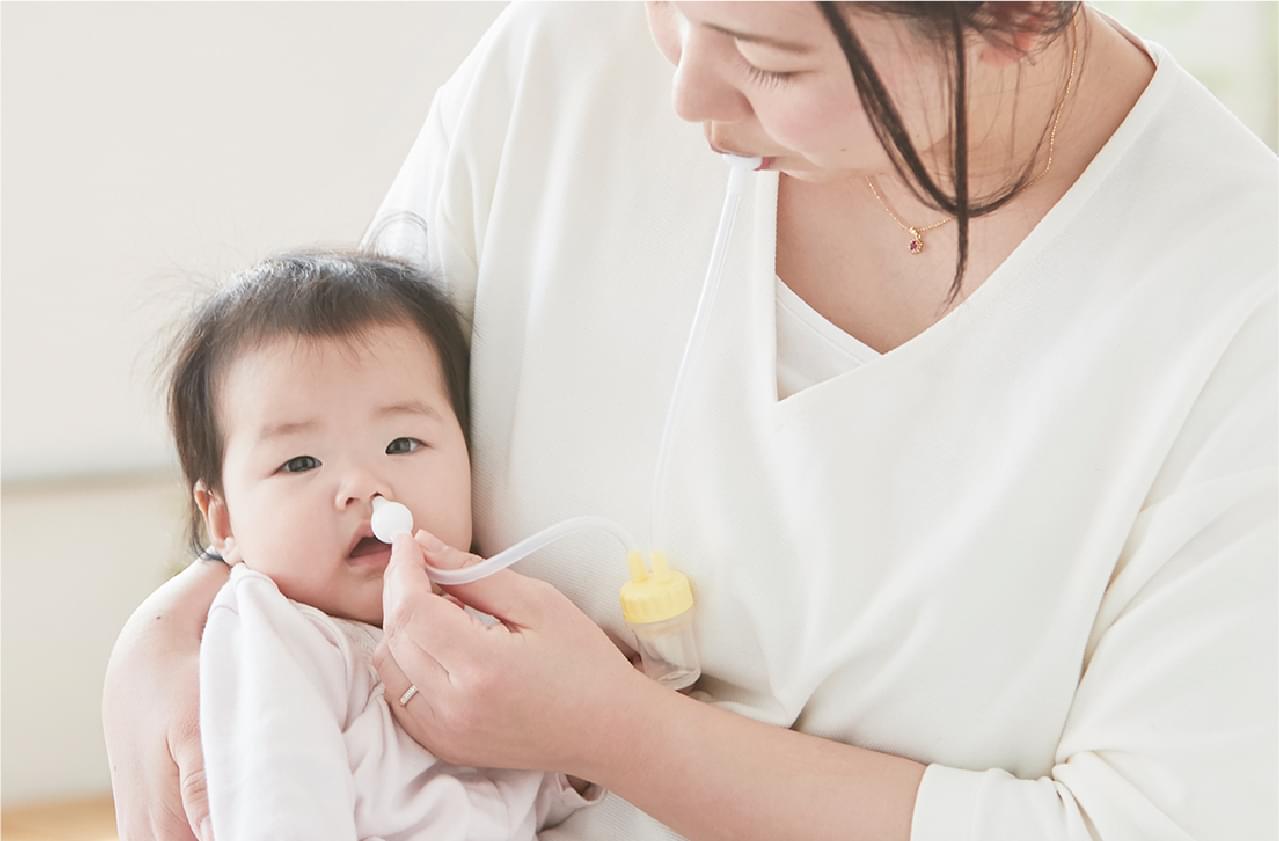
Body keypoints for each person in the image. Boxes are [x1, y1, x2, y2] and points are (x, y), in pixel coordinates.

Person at [105, 3, 1277, 840]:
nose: (683, 95)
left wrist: (624, 736)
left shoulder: (1231, 309)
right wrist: (173, 619)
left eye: (767, 61)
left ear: (1019, 17)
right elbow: (316, 425)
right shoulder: (558, 64)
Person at [162, 251, 597, 839]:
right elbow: (280, 804)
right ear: (224, 522)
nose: (363, 485)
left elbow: (523, 786)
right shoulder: (274, 633)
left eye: (402, 444)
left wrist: (574, 750)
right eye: (300, 462)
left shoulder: (479, 617)